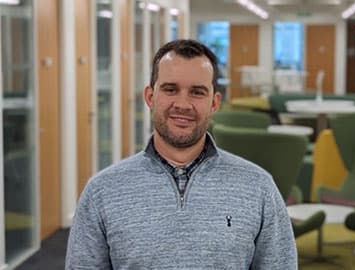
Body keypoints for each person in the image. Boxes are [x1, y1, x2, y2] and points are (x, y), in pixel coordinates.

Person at [65, 39, 297, 269]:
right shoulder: (102, 191)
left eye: (197, 92)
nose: (183, 104)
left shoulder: (258, 187)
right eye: (170, 89)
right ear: (150, 97)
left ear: (214, 103)